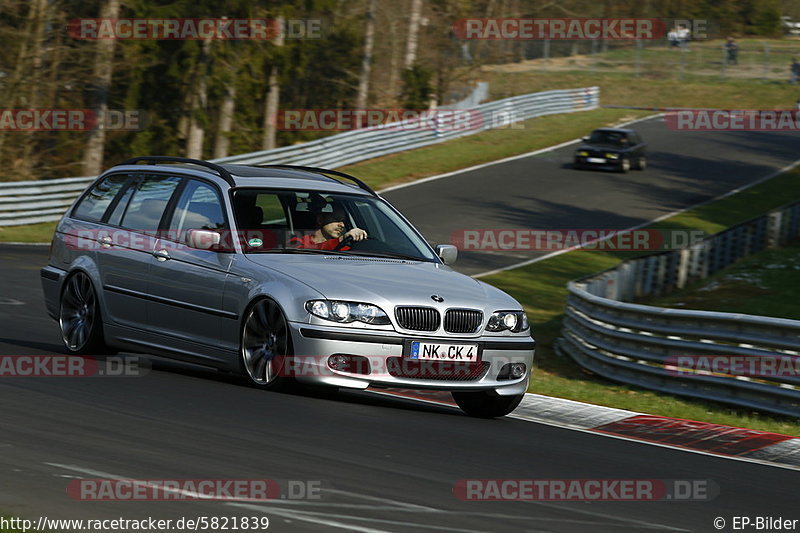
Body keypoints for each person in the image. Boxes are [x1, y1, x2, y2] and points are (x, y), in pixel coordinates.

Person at [289, 207, 367, 250]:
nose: (342, 225)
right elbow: (306, 253)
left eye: (343, 221)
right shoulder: (296, 241)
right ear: (320, 220)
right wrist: (341, 239)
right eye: (337, 219)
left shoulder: (344, 249)